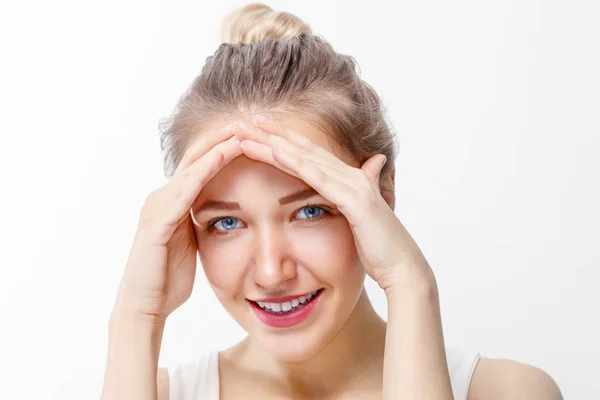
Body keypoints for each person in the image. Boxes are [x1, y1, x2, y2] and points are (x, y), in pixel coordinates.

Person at [100, 3, 563, 399]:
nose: (270, 272)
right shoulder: (149, 391)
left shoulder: (507, 391)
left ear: (380, 197)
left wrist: (410, 283)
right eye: (226, 223)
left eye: (310, 211)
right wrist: (136, 316)